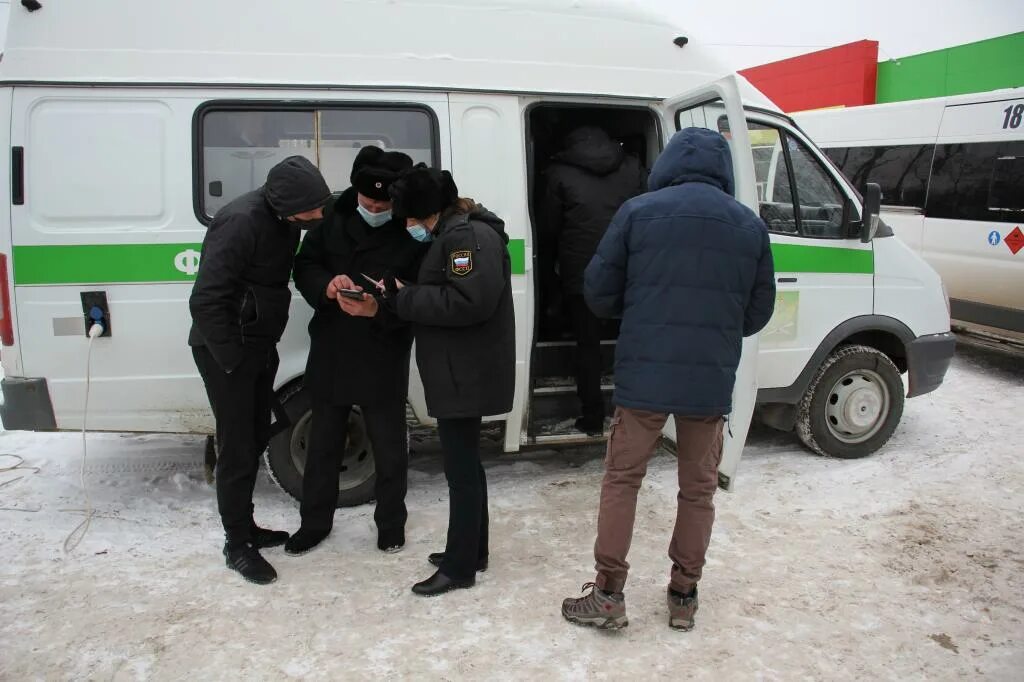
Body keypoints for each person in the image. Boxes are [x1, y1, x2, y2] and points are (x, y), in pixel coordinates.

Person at [560, 128, 776, 630]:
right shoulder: (748, 226)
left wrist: (638, 314)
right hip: (708, 382)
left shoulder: (638, 213)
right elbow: (758, 311)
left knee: (622, 480)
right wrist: (719, 329)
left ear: (668, 164)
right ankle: (684, 595)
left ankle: (609, 594)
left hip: (644, 377)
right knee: (698, 490)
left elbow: (597, 292)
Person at [338, 164, 515, 597]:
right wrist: (402, 294)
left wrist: (404, 296)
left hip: (465, 371)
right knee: (466, 464)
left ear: (427, 211)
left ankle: (459, 567)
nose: (407, 225)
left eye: (410, 218)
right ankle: (473, 551)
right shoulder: (455, 232)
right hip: (462, 367)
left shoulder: (464, 238)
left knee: (460, 470)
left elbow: (469, 301)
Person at [189, 155, 332, 585]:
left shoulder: (286, 220)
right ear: (286, 204)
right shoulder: (239, 222)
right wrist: (234, 361)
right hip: (226, 352)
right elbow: (206, 301)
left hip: (257, 345)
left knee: (254, 437)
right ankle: (237, 544)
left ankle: (246, 525)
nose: (318, 217)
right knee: (236, 446)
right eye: (313, 210)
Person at [285, 146, 425, 556]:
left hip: (384, 348)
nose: (376, 208)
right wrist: (326, 286)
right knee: (324, 442)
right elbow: (304, 266)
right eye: (369, 201)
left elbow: (420, 294)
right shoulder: (331, 218)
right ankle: (313, 523)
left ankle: (390, 524)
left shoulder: (411, 228)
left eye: (384, 203)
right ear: (356, 191)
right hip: (333, 346)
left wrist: (379, 309)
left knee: (389, 446)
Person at [539, 126, 647, 435]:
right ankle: (635, 416)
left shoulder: (558, 172)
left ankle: (592, 417)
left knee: (588, 345)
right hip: (628, 268)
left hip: (581, 271)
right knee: (634, 341)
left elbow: (548, 226)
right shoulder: (631, 166)